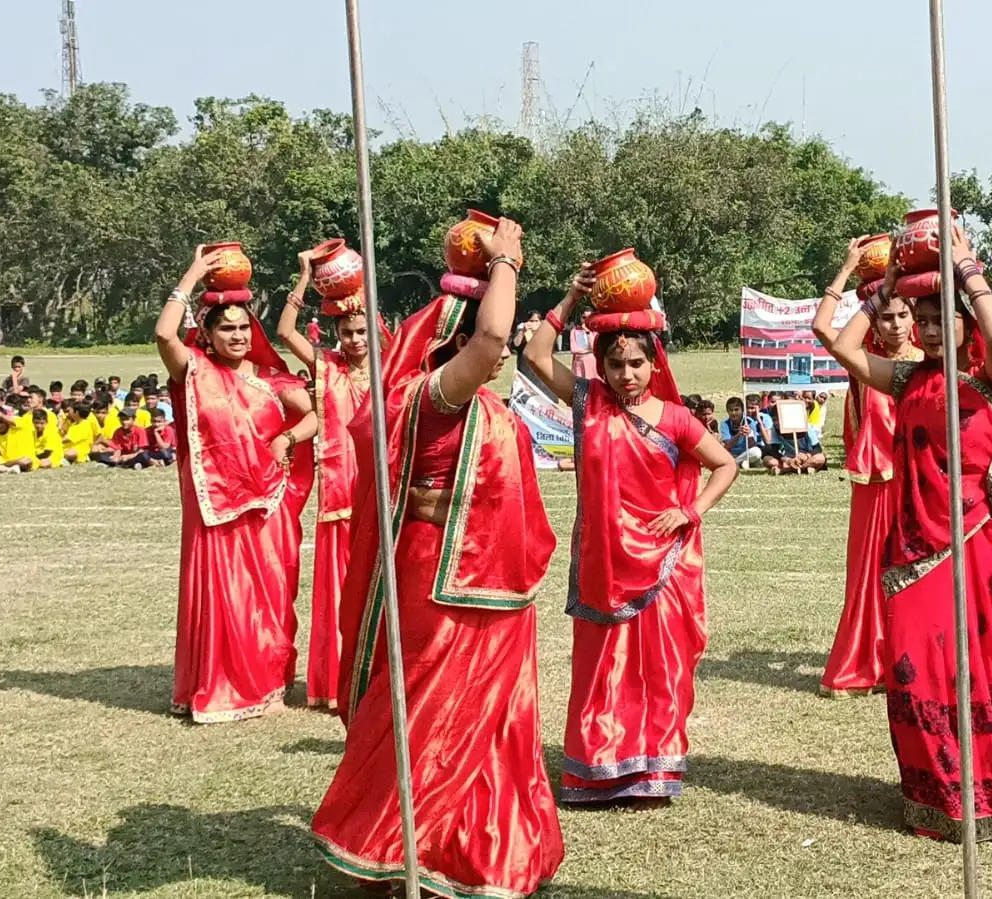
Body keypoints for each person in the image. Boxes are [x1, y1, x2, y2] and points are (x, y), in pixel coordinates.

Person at [314, 218, 565, 897]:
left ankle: (467, 853)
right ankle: (402, 850)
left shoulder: (477, 402)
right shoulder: (433, 399)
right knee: (433, 724)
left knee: (488, 727)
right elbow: (490, 342)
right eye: (477, 338)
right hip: (443, 587)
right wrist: (507, 264)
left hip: (495, 589)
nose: (502, 347)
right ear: (449, 343)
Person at [829, 225, 992, 841]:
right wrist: (882, 286)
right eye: (924, 317)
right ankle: (928, 790)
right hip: (910, 549)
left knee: (967, 670)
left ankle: (981, 793)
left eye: (944, 317)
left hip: (972, 547)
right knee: (912, 665)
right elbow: (841, 347)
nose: (933, 328)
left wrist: (968, 269)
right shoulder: (910, 380)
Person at [523, 261, 738, 809]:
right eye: (616, 364)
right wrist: (571, 298)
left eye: (637, 363)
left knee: (659, 670)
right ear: (603, 365)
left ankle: (653, 773)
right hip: (603, 565)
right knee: (601, 670)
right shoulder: (587, 403)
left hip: (663, 565)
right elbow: (533, 357)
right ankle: (597, 771)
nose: (627, 375)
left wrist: (691, 511)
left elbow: (725, 465)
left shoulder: (674, 418)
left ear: (653, 362)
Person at [154, 245, 317, 723]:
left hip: (268, 503)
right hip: (215, 507)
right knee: (223, 596)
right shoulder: (195, 371)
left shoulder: (271, 377)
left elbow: (314, 416)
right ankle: (220, 683)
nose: (239, 335)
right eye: (227, 328)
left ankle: (265, 679)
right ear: (206, 333)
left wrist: (287, 438)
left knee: (266, 597)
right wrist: (192, 274)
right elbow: (165, 332)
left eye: (245, 327)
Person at [811, 236, 923, 698]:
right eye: (886, 316)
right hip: (874, 483)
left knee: (915, 575)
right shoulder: (864, 363)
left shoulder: (926, 363)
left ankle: (909, 660)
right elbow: (822, 329)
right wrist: (848, 268)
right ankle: (863, 661)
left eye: (903, 315)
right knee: (867, 575)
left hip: (918, 485)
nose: (895, 325)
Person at [279, 247, 383, 712]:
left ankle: (376, 674)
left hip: (379, 498)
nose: (356, 339)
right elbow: (284, 332)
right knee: (338, 594)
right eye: (347, 332)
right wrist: (303, 278)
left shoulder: (390, 374)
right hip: (338, 499)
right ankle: (332, 681)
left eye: (362, 332)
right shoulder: (329, 370)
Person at [718, 396, 764, 469]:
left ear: (742, 410)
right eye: (731, 410)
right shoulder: (725, 424)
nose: (733, 413)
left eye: (736, 410)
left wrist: (749, 434)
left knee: (757, 452)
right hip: (732, 453)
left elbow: (753, 445)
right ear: (727, 411)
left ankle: (735, 463)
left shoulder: (749, 422)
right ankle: (743, 462)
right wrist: (739, 434)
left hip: (746, 452)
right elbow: (727, 445)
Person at [569, 308, 599, 378]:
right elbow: (573, 349)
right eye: (584, 317)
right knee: (580, 385)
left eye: (589, 317)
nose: (586, 320)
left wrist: (588, 332)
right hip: (578, 363)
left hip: (592, 362)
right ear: (580, 317)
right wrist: (589, 351)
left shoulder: (596, 331)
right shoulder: (574, 331)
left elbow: (594, 347)